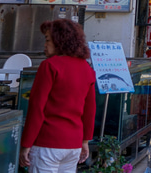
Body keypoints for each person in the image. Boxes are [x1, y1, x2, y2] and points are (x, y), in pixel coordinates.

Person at [20, 19, 97, 172]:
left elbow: (36, 108)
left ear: (59, 40)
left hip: (47, 142)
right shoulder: (86, 68)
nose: (45, 44)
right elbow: (90, 110)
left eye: (47, 40)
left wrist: (26, 144)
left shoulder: (49, 66)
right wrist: (85, 141)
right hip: (73, 145)